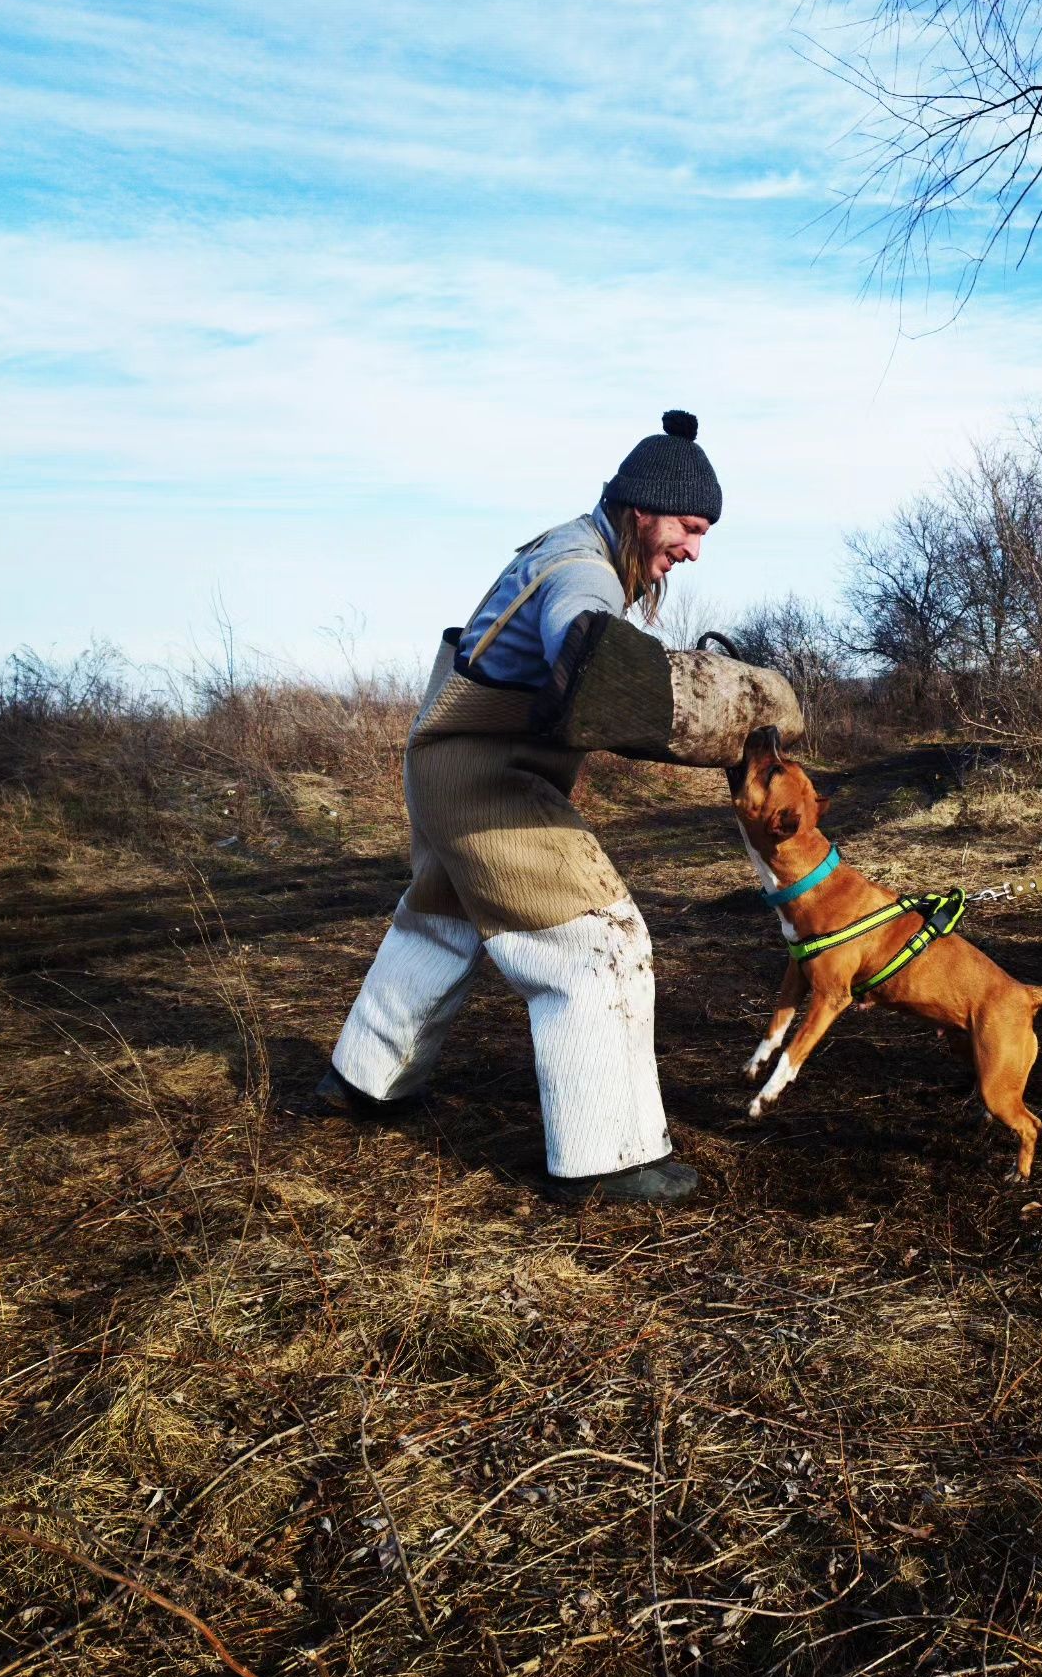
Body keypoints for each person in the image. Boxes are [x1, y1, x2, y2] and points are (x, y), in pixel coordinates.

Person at [315, 410, 764, 1207]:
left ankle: (361, 1084)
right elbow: (584, 642)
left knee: (440, 925)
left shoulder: (574, 548)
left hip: (448, 767)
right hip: (488, 780)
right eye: (690, 528)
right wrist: (714, 706)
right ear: (641, 511)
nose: (694, 548)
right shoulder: (580, 570)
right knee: (597, 943)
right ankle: (605, 1158)